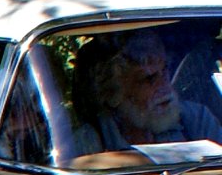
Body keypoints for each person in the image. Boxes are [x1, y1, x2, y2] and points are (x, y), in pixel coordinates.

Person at [73, 30, 222, 153]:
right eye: (149, 78)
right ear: (114, 94)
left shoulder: (196, 118)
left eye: (165, 70)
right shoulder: (88, 143)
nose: (165, 85)